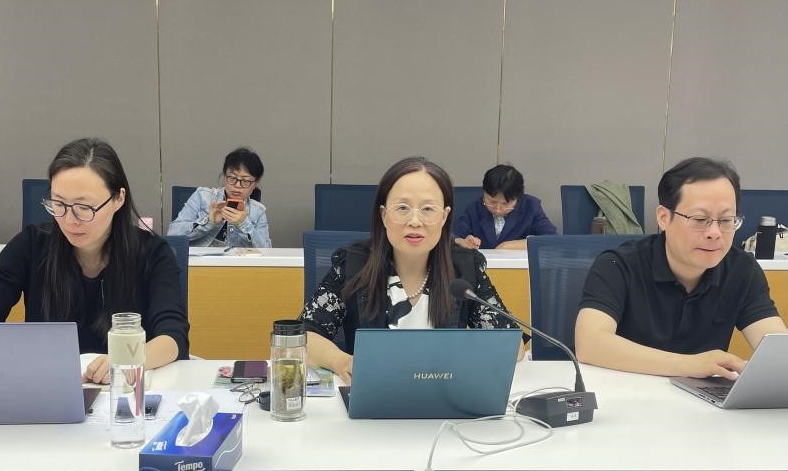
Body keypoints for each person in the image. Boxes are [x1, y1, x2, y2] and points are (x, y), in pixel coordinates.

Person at [0, 138, 190, 384]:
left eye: (84, 207)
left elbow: (173, 338)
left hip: (127, 389)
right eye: (58, 204)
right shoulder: (30, 246)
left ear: (118, 199)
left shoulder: (152, 252)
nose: (70, 220)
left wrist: (126, 358)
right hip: (48, 389)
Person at [299, 157, 526, 385]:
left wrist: (459, 358)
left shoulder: (465, 266)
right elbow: (302, 337)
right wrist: (343, 362)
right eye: (402, 208)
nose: (415, 221)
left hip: (444, 397)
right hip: (374, 395)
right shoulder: (353, 264)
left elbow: (512, 345)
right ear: (383, 215)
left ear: (444, 216)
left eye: (427, 209)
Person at [575, 157, 787, 378]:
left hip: (700, 398)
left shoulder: (742, 270)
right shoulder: (618, 265)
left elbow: (777, 347)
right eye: (700, 219)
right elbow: (590, 344)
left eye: (726, 220)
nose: (715, 233)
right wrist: (688, 365)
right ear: (664, 218)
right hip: (625, 390)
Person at [168, 147, 271, 248]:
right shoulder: (202, 196)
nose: (237, 185)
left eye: (245, 181)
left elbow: (266, 250)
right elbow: (172, 234)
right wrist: (209, 222)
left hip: (236, 260)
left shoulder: (258, 211)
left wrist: (244, 224)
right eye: (232, 178)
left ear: (255, 184)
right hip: (198, 259)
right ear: (224, 177)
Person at [454, 164, 556, 250]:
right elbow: (453, 237)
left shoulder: (531, 207)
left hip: (518, 266)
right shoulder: (474, 208)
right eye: (492, 202)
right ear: (484, 192)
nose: (498, 209)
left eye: (505, 204)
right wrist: (462, 242)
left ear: (518, 198)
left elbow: (552, 240)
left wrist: (512, 245)